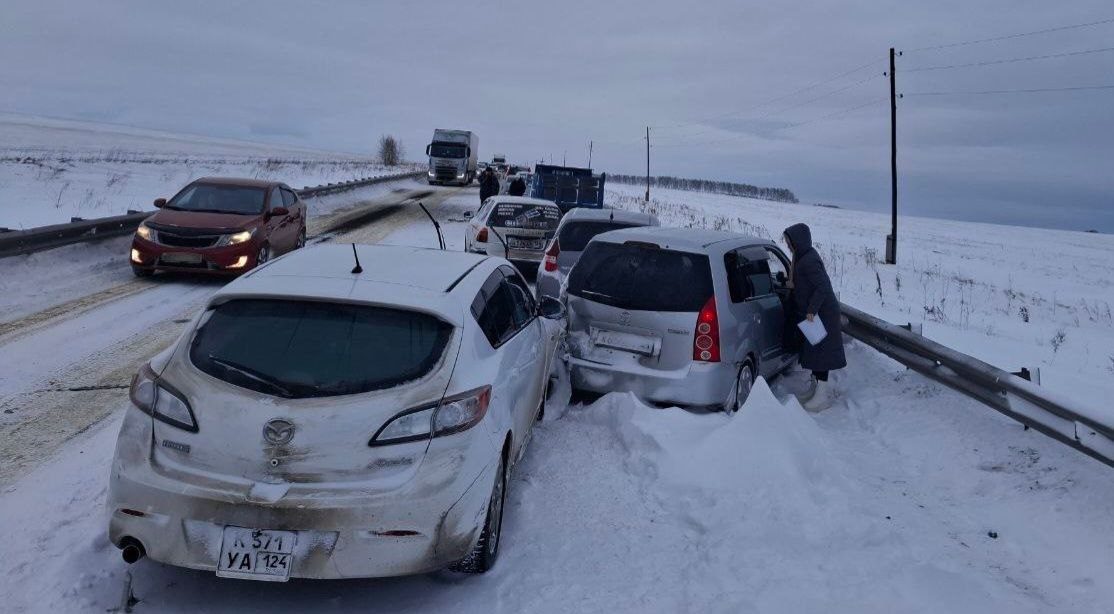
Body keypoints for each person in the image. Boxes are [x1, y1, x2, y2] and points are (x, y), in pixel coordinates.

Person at [783, 223, 846, 411]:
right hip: (815, 315)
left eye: (789, 242)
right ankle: (815, 389)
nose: (788, 245)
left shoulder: (809, 261)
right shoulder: (803, 257)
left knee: (821, 354)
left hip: (821, 315)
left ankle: (822, 396)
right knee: (814, 352)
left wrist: (811, 309)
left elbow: (823, 287)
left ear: (798, 241)